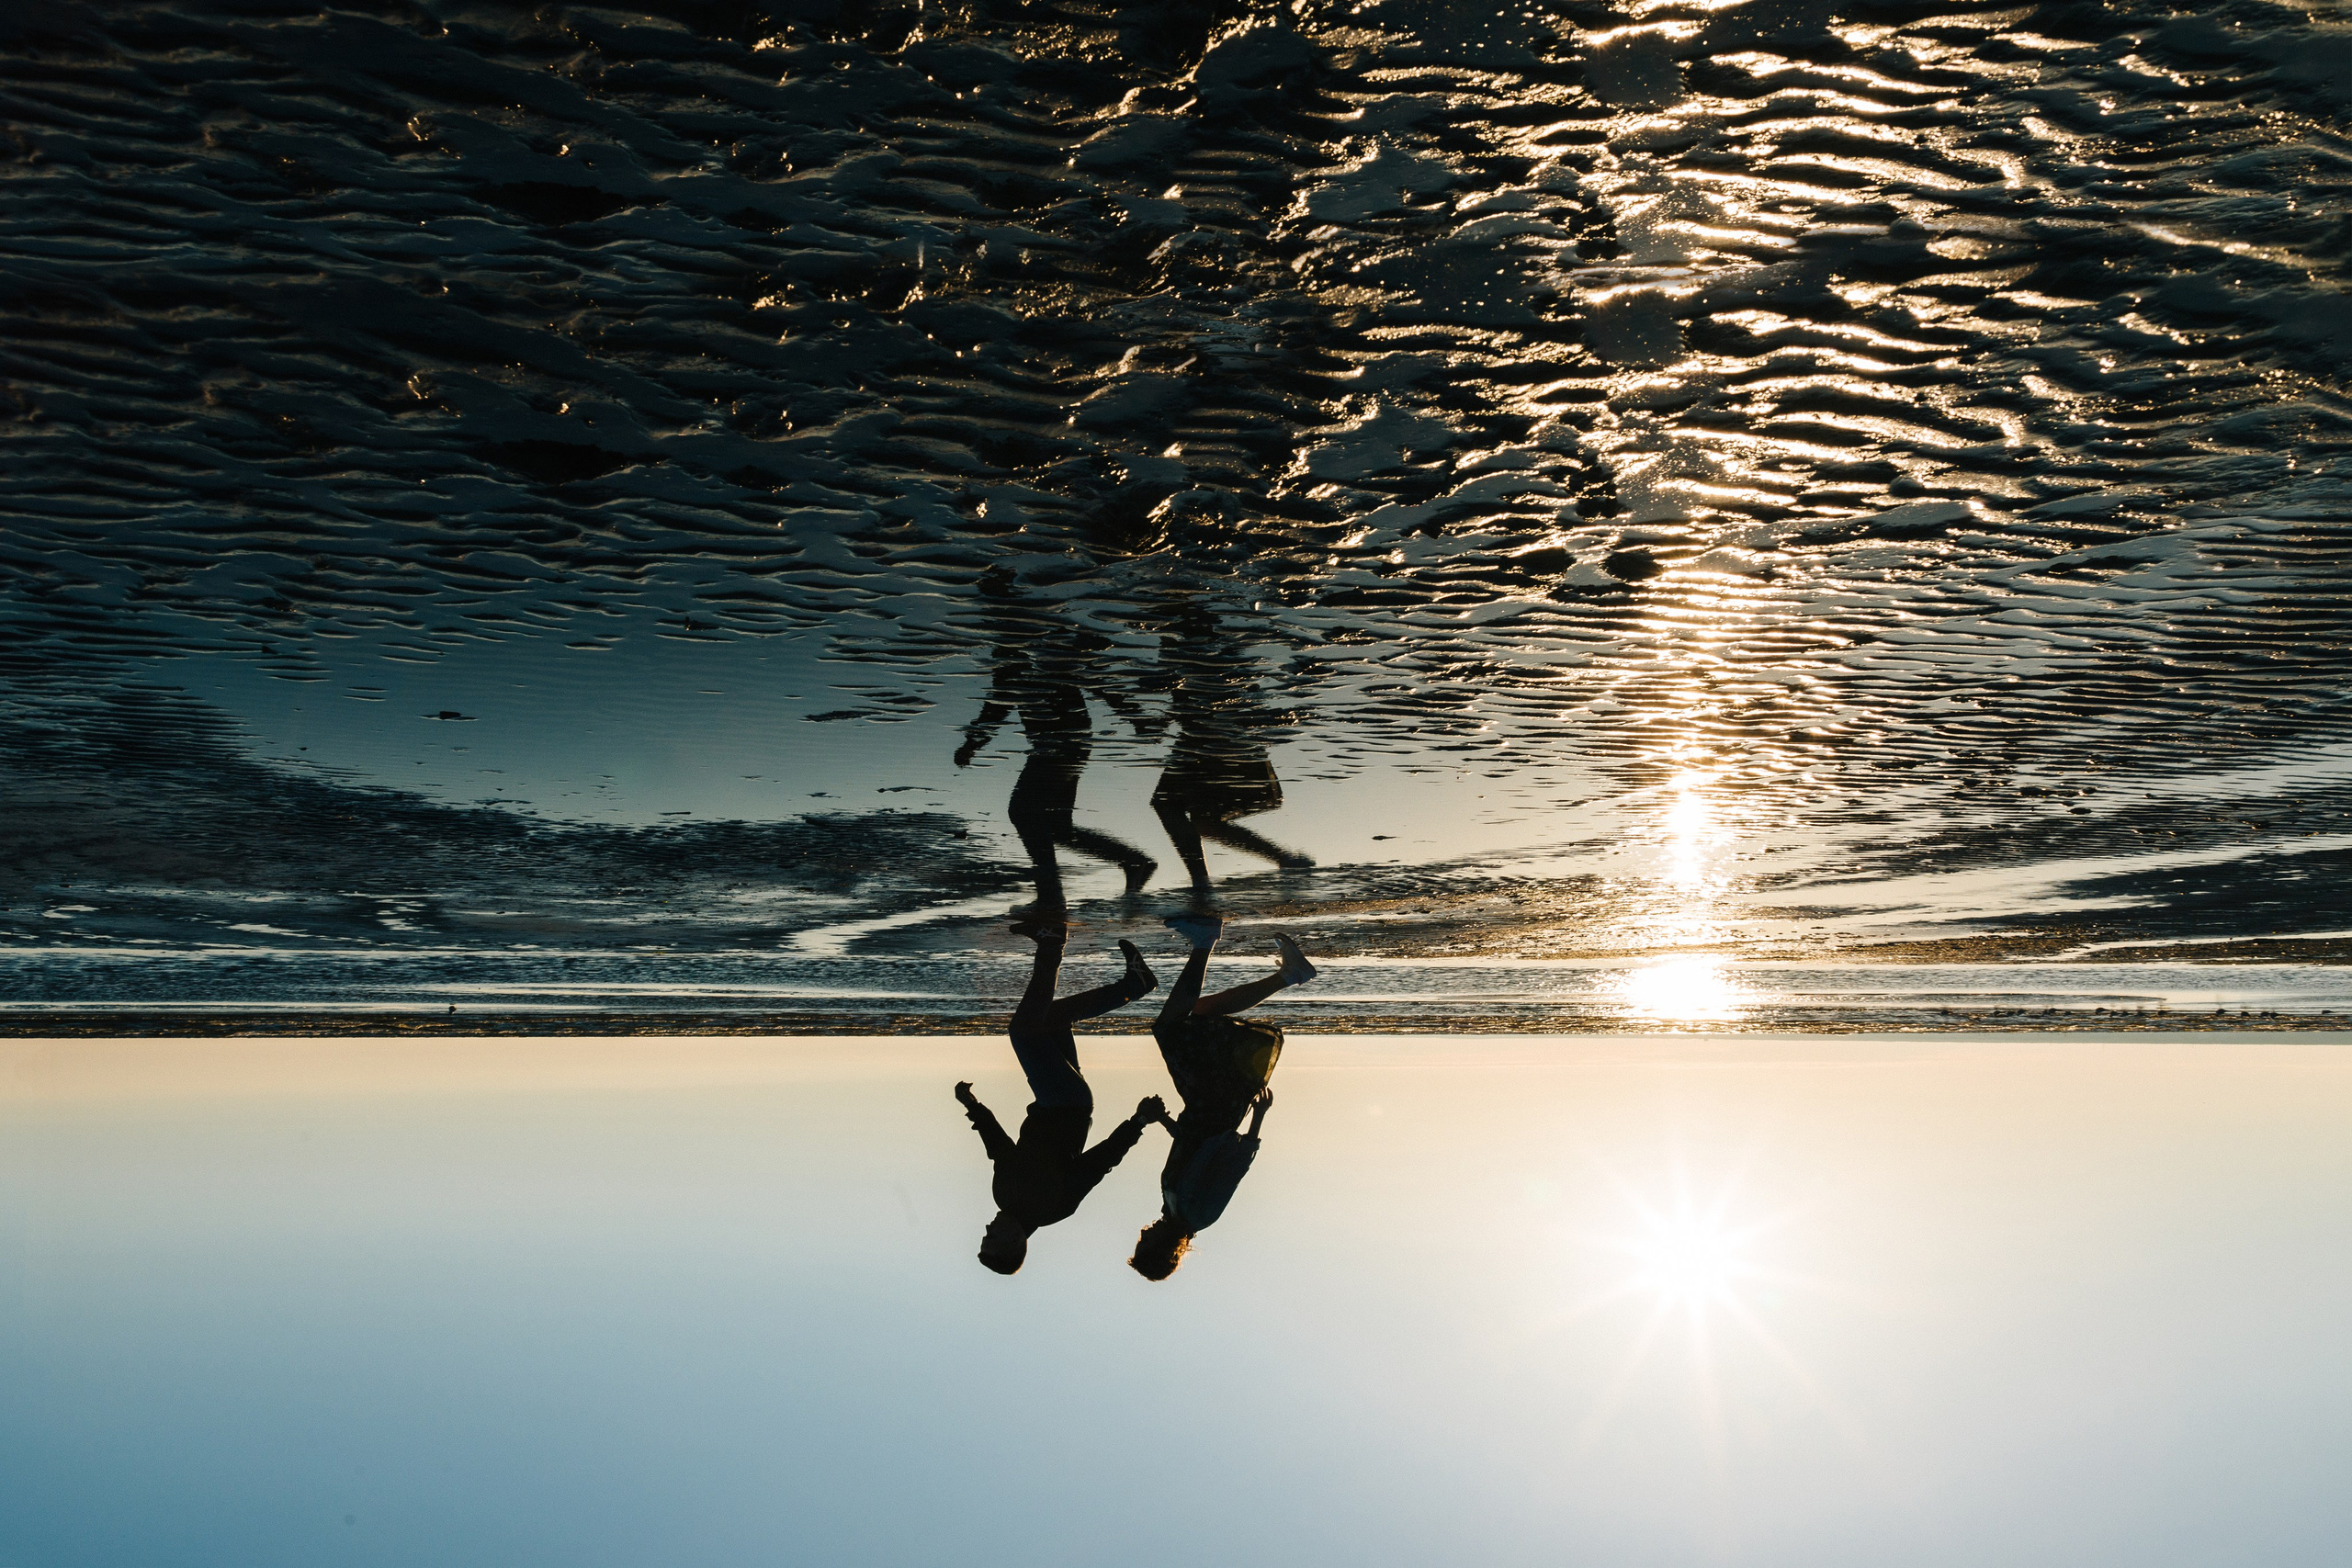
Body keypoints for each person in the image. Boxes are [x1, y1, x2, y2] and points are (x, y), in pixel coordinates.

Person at [959, 920, 1162, 1274]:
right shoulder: (1053, 1208)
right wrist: (1138, 1122)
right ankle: (1051, 942)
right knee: (1022, 1030)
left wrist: (975, 1108)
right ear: (1014, 1243)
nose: (988, 1228)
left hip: (1052, 1100)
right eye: (991, 1237)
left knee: (1052, 1020)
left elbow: (1000, 1148)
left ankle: (1134, 985)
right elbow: (1098, 1164)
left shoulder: (1004, 1197)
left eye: (984, 1234)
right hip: (1067, 1102)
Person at [1129, 912, 1316, 1280]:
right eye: (1145, 1245)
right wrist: (1259, 1118)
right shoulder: (1199, 1214)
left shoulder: (1173, 1208)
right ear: (1163, 1250)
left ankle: (1288, 974)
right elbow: (1233, 1167)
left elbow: (1190, 1145)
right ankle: (1205, 940)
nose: (1142, 1236)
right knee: (1169, 1027)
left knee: (1199, 1014)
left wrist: (1162, 1119)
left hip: (1200, 1105)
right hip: (1217, 1103)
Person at [956, 572, 1157, 911]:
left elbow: (1088, 679)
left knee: (1023, 811)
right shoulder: (1024, 642)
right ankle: (1133, 862)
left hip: (1059, 743)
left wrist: (974, 743)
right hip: (1070, 741)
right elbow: (1003, 700)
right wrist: (975, 741)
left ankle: (1051, 895)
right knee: (1059, 828)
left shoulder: (1033, 642)